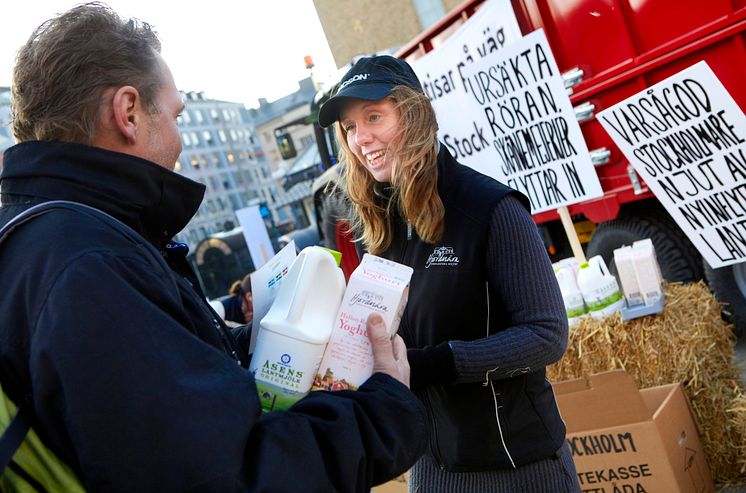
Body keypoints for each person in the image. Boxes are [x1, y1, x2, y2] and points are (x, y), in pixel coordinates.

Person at [0, 7, 427, 492]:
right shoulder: (89, 266)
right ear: (128, 112)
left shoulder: (41, 240)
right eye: (177, 114)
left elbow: (160, 412)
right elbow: (228, 476)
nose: (181, 142)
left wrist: (257, 346)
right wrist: (381, 411)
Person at [318, 55, 581, 493]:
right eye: (349, 127)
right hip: (432, 469)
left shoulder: (489, 208)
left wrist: (431, 364)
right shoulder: (379, 226)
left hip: (517, 467)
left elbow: (546, 334)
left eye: (374, 116)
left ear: (415, 113)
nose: (361, 138)